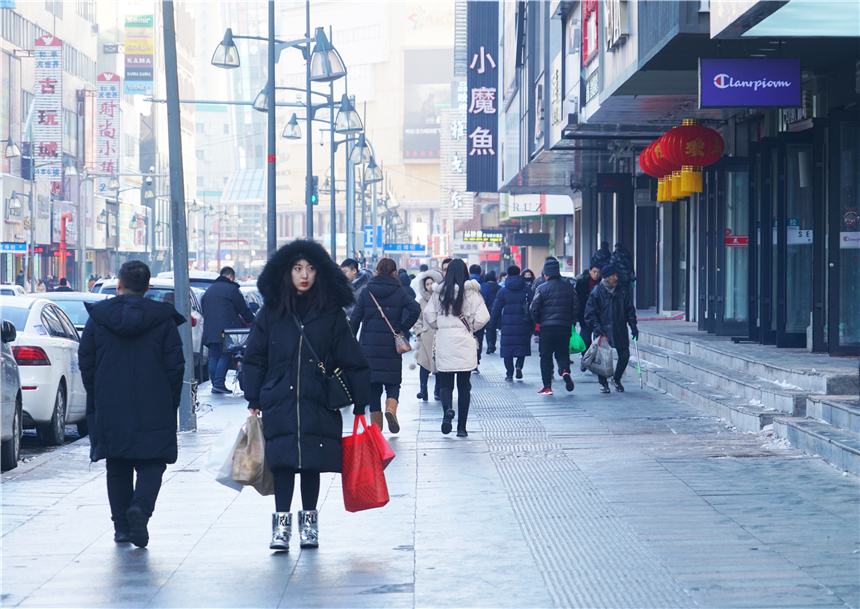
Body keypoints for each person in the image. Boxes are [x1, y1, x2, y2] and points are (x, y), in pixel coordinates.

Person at [244, 239, 370, 552]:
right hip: (280, 400)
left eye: (311, 269)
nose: (304, 275)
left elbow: (350, 356)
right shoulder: (272, 313)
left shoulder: (330, 314)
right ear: (286, 273)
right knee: (284, 464)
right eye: (298, 268)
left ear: (320, 273)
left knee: (311, 464)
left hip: (318, 399)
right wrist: (254, 396)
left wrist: (361, 399)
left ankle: (309, 528)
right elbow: (255, 355)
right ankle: (281, 529)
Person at [78, 260, 186, 548]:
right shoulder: (163, 320)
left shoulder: (98, 318)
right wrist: (170, 400)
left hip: (110, 401)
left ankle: (122, 528)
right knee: (153, 461)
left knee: (117, 464)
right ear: (148, 287)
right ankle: (141, 508)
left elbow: (86, 361)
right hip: (155, 401)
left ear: (118, 285)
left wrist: (97, 393)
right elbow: (176, 366)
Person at [350, 258, 420, 434]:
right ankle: (391, 408)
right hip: (391, 344)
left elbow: (355, 318)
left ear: (377, 271)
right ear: (394, 272)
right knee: (393, 381)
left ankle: (376, 427)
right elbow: (415, 308)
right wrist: (402, 328)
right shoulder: (400, 291)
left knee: (373, 385)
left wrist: (350, 340)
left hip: (369, 347)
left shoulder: (367, 292)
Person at [424, 259, 489, 437]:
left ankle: (447, 412)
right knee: (464, 386)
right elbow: (484, 317)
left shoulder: (439, 293)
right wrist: (471, 327)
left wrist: (440, 326)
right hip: (465, 343)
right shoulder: (473, 294)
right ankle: (462, 428)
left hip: (445, 342)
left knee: (445, 384)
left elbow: (428, 314)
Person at [529, 257, 579, 396]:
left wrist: (539, 320)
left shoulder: (542, 288)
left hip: (546, 328)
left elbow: (533, 308)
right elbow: (576, 306)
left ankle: (547, 387)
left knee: (545, 356)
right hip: (564, 327)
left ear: (546, 274)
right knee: (562, 354)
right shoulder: (569, 287)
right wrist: (570, 320)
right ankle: (565, 372)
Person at [585, 264, 638, 394]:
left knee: (624, 355)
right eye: (613, 276)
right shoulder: (597, 292)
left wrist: (633, 326)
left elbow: (629, 310)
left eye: (616, 275)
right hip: (603, 330)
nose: (616, 278)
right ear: (606, 278)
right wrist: (596, 326)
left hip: (619, 328)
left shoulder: (622, 290)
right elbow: (589, 313)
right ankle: (603, 383)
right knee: (602, 358)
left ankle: (617, 379)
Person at [201, 266, 255, 394]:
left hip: (210, 329)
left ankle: (214, 383)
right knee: (225, 355)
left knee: (214, 356)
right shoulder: (232, 289)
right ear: (230, 277)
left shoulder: (209, 290)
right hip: (227, 329)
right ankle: (219, 383)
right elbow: (242, 308)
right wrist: (252, 320)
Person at [488, 266, 532, 381]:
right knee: (521, 346)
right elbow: (534, 306)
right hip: (523, 323)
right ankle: (519, 366)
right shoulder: (527, 289)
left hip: (507, 324)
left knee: (507, 349)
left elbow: (496, 309)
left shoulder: (503, 291)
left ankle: (509, 373)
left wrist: (492, 324)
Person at [413, 269, 443, 401]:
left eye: (432, 283)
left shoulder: (442, 299)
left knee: (439, 364)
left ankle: (437, 390)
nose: (430, 287)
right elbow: (416, 318)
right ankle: (423, 390)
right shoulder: (420, 301)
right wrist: (419, 330)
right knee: (423, 364)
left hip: (439, 336)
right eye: (427, 284)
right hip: (424, 337)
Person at [574, 264, 603, 367]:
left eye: (598, 272)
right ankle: (585, 358)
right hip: (585, 316)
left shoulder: (603, 284)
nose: (596, 274)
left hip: (600, 316)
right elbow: (577, 301)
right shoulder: (582, 283)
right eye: (594, 272)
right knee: (585, 339)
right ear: (590, 271)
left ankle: (595, 361)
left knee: (598, 341)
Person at [468, 264, 490, 371]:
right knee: (479, 339)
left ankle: (469, 361)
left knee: (468, 339)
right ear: (480, 273)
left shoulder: (464, 285)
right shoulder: (485, 286)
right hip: (480, 317)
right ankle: (476, 361)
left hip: (467, 318)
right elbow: (489, 303)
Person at [484, 271, 501, 355]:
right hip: (495, 309)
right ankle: (493, 344)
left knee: (488, 329)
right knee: (493, 328)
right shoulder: (499, 288)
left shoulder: (484, 287)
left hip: (486, 309)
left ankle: (489, 345)